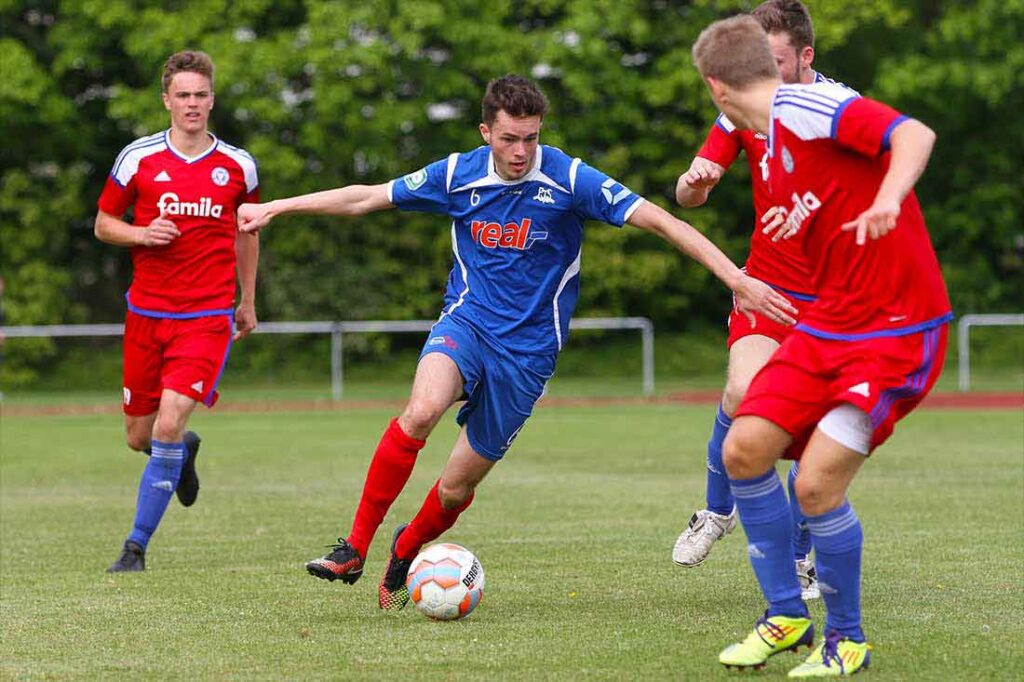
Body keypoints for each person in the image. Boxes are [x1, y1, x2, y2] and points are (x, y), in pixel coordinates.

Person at [237, 75, 797, 610]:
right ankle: (354, 548)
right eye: (508, 138)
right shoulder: (457, 174)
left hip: (527, 357)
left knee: (455, 490)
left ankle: (406, 549)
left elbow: (664, 223)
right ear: (486, 132)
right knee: (420, 411)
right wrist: (277, 206)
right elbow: (365, 198)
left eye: (530, 138)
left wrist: (736, 280)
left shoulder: (569, 179)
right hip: (467, 325)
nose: (520, 151)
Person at [692, 16, 951, 676]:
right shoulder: (767, 141)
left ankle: (847, 639)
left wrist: (891, 198)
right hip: (831, 325)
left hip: (896, 330)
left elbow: (914, 135)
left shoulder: (811, 105)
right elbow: (826, 204)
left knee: (813, 485)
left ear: (716, 88)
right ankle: (785, 615)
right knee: (744, 449)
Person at [672, 0, 854, 600]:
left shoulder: (843, 111)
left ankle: (803, 554)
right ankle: (716, 511)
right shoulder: (742, 109)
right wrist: (695, 183)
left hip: (831, 299)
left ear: (805, 57)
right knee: (742, 392)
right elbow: (687, 195)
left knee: (815, 428)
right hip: (765, 286)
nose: (764, 81)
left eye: (775, 64)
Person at [95, 50, 260, 572]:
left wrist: (247, 300)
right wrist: (142, 233)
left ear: (213, 99)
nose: (192, 103)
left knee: (166, 425)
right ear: (167, 100)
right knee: (139, 437)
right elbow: (103, 223)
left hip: (206, 319)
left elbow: (247, 234)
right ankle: (182, 453)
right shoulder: (138, 158)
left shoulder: (238, 166)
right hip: (145, 316)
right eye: (183, 95)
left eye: (201, 94)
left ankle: (134, 547)